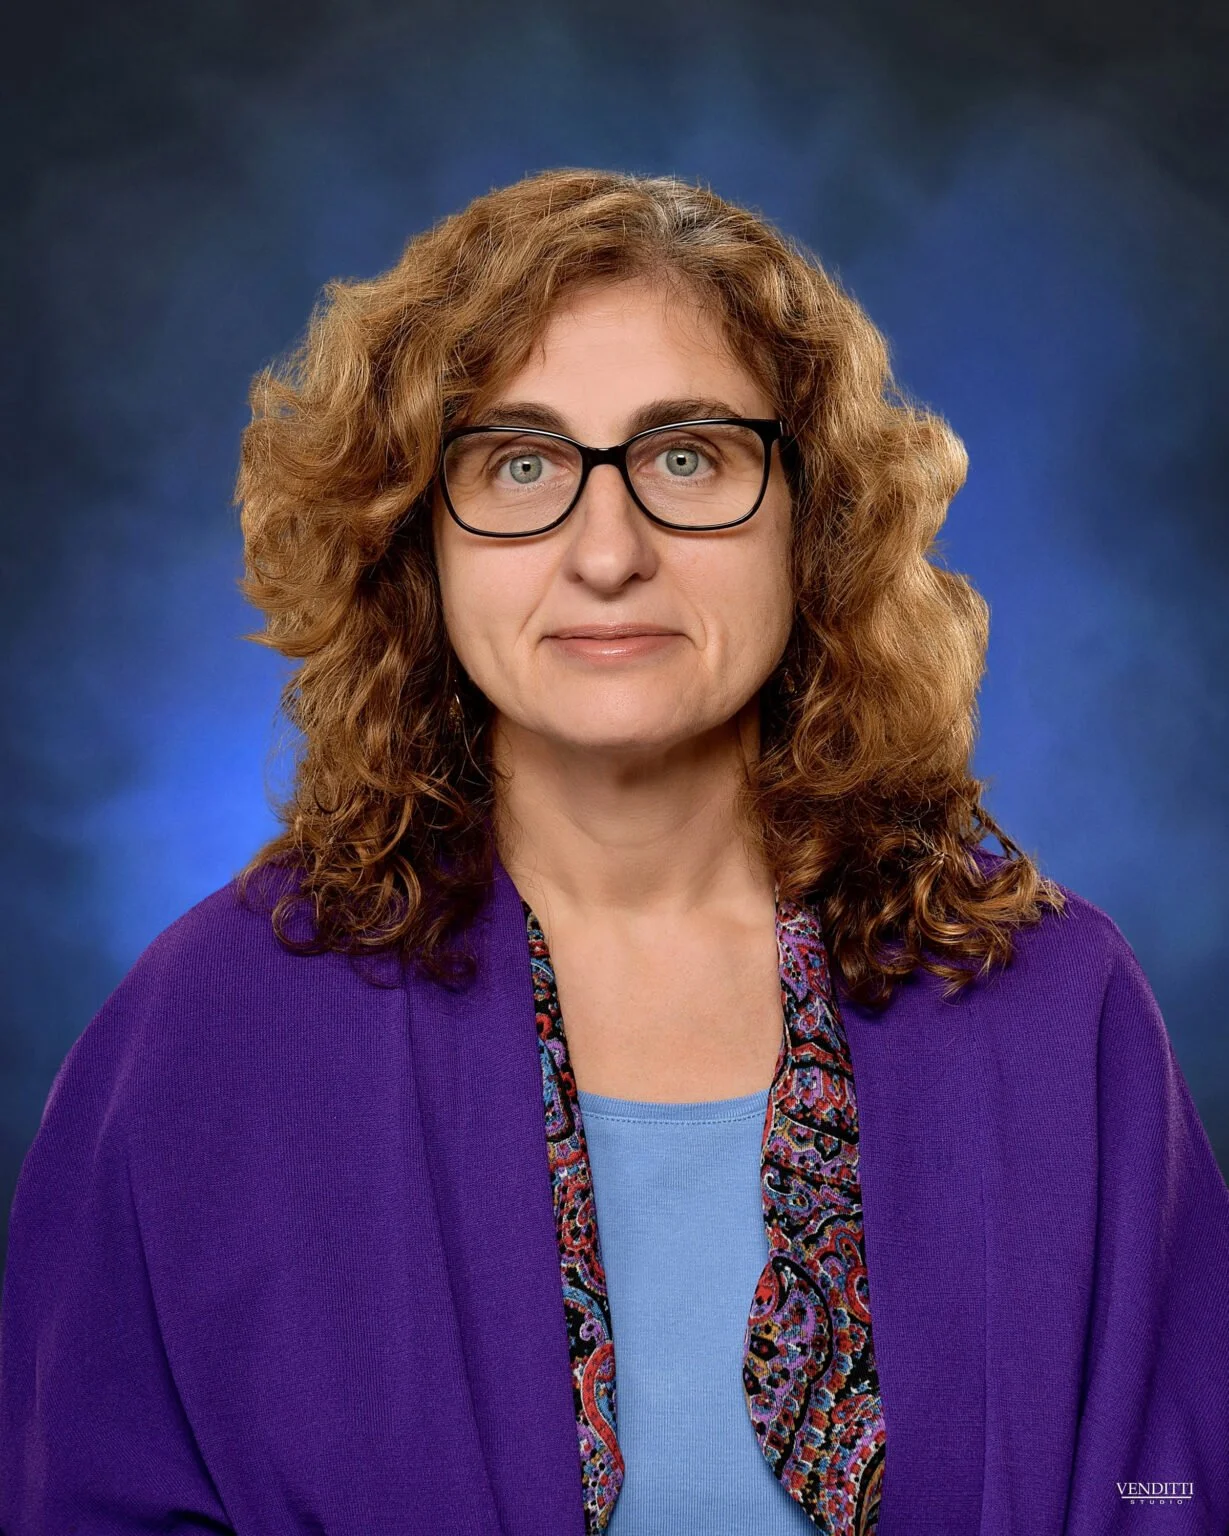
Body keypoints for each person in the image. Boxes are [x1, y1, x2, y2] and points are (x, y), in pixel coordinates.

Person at [2, 168, 1227, 1536]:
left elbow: (1174, 1492)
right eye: (518, 465)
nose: (607, 551)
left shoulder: (1050, 1004)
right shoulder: (208, 1033)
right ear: (417, 542)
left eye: (687, 458)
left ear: (811, 520)